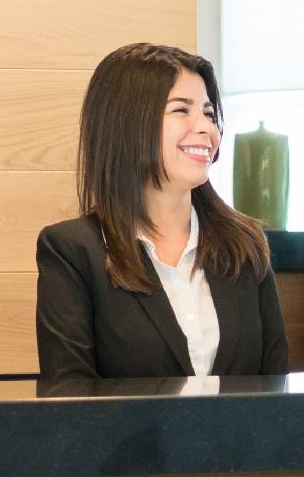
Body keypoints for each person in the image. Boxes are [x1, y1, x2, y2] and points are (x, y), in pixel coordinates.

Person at [34, 42, 289, 385]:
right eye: (182, 110)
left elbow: (276, 388)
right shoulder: (72, 250)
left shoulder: (245, 245)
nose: (206, 129)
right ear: (128, 123)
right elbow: (70, 398)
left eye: (209, 113)